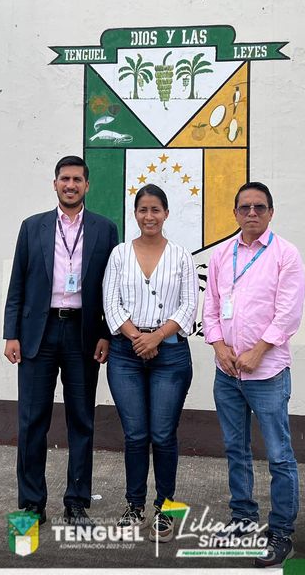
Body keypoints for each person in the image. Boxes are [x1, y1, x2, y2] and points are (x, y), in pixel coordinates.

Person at [3, 155, 119, 526]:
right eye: (64, 179)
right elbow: (17, 283)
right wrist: (11, 334)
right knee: (31, 420)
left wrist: (106, 333)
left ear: (87, 185)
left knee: (81, 421)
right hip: (38, 334)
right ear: (55, 184)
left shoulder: (105, 229)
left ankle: (76, 503)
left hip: (83, 334)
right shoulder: (32, 227)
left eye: (77, 180)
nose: (70, 185)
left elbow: (111, 288)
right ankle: (32, 503)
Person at [202, 181, 305, 568]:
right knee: (236, 449)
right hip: (227, 373)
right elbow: (211, 308)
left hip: (267, 374)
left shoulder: (285, 255)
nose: (251, 213)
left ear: (270, 213)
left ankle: (280, 532)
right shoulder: (221, 255)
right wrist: (220, 347)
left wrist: (258, 351)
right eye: (244, 207)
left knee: (279, 455)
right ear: (234, 213)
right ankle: (243, 519)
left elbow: (289, 313)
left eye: (259, 207)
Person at [102, 184, 197, 542]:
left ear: (166, 214)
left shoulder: (181, 256)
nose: (149, 216)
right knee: (136, 434)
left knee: (163, 434)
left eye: (156, 209)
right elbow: (110, 303)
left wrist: (156, 337)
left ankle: (165, 507)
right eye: (143, 209)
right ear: (135, 214)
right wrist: (136, 337)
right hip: (126, 355)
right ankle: (134, 505)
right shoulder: (119, 254)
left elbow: (189, 305)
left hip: (169, 355)